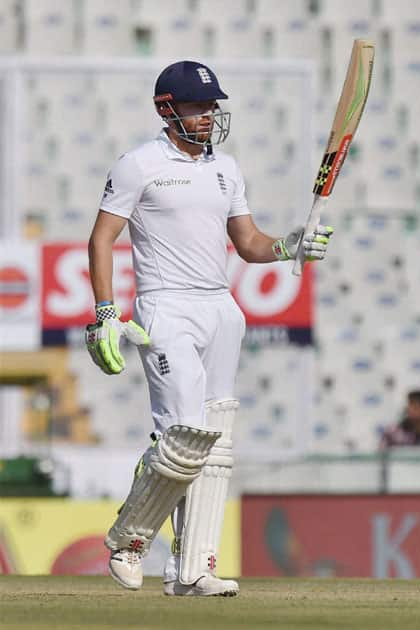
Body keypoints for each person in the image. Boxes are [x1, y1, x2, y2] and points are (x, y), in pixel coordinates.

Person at [85, 61, 333, 597]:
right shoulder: (139, 165)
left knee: (215, 442)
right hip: (165, 308)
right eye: (199, 107)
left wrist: (290, 245)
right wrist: (105, 312)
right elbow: (101, 239)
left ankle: (192, 568)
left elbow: (248, 243)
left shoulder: (227, 167)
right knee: (183, 440)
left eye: (212, 106)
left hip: (221, 308)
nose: (209, 116)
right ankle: (130, 540)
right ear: (166, 109)